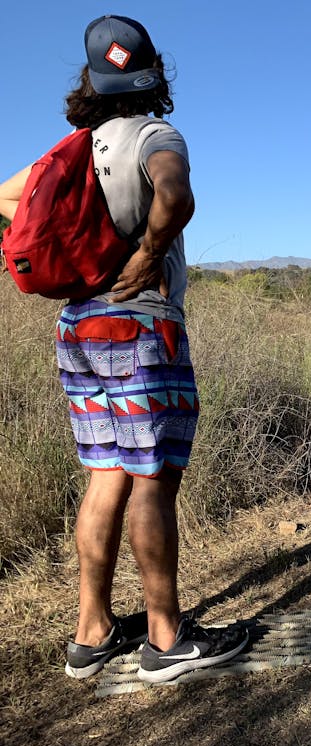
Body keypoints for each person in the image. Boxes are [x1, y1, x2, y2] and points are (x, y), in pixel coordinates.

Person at [0, 15, 247, 683]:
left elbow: (6, 195)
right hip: (139, 326)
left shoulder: (74, 149)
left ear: (93, 81)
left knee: (106, 474)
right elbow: (173, 193)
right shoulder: (156, 135)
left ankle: (91, 631)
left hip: (78, 327)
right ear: (152, 73)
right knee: (153, 479)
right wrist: (147, 252)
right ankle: (166, 640)